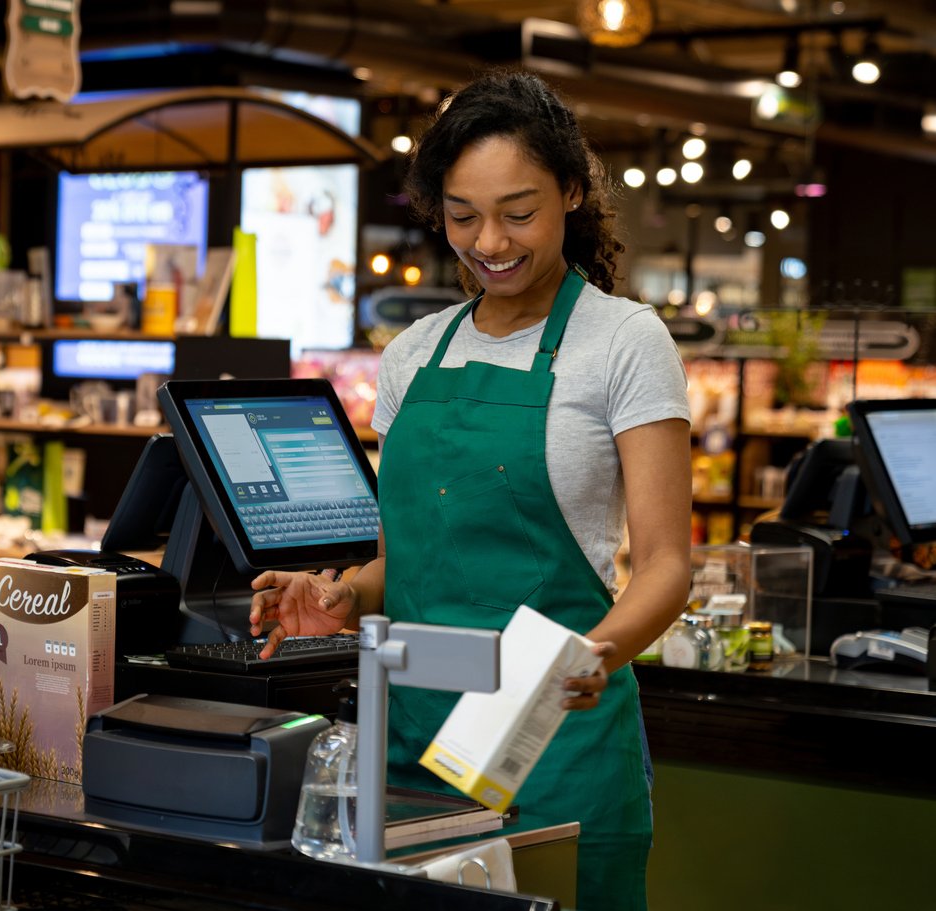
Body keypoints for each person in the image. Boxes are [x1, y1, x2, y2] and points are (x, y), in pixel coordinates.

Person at [249, 68, 692, 911]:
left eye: (518, 212)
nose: (490, 241)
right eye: (462, 216)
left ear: (569, 193)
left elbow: (669, 565)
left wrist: (595, 651)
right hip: (415, 746)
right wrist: (340, 594)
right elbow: (405, 563)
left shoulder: (624, 342)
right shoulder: (414, 354)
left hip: (557, 745)